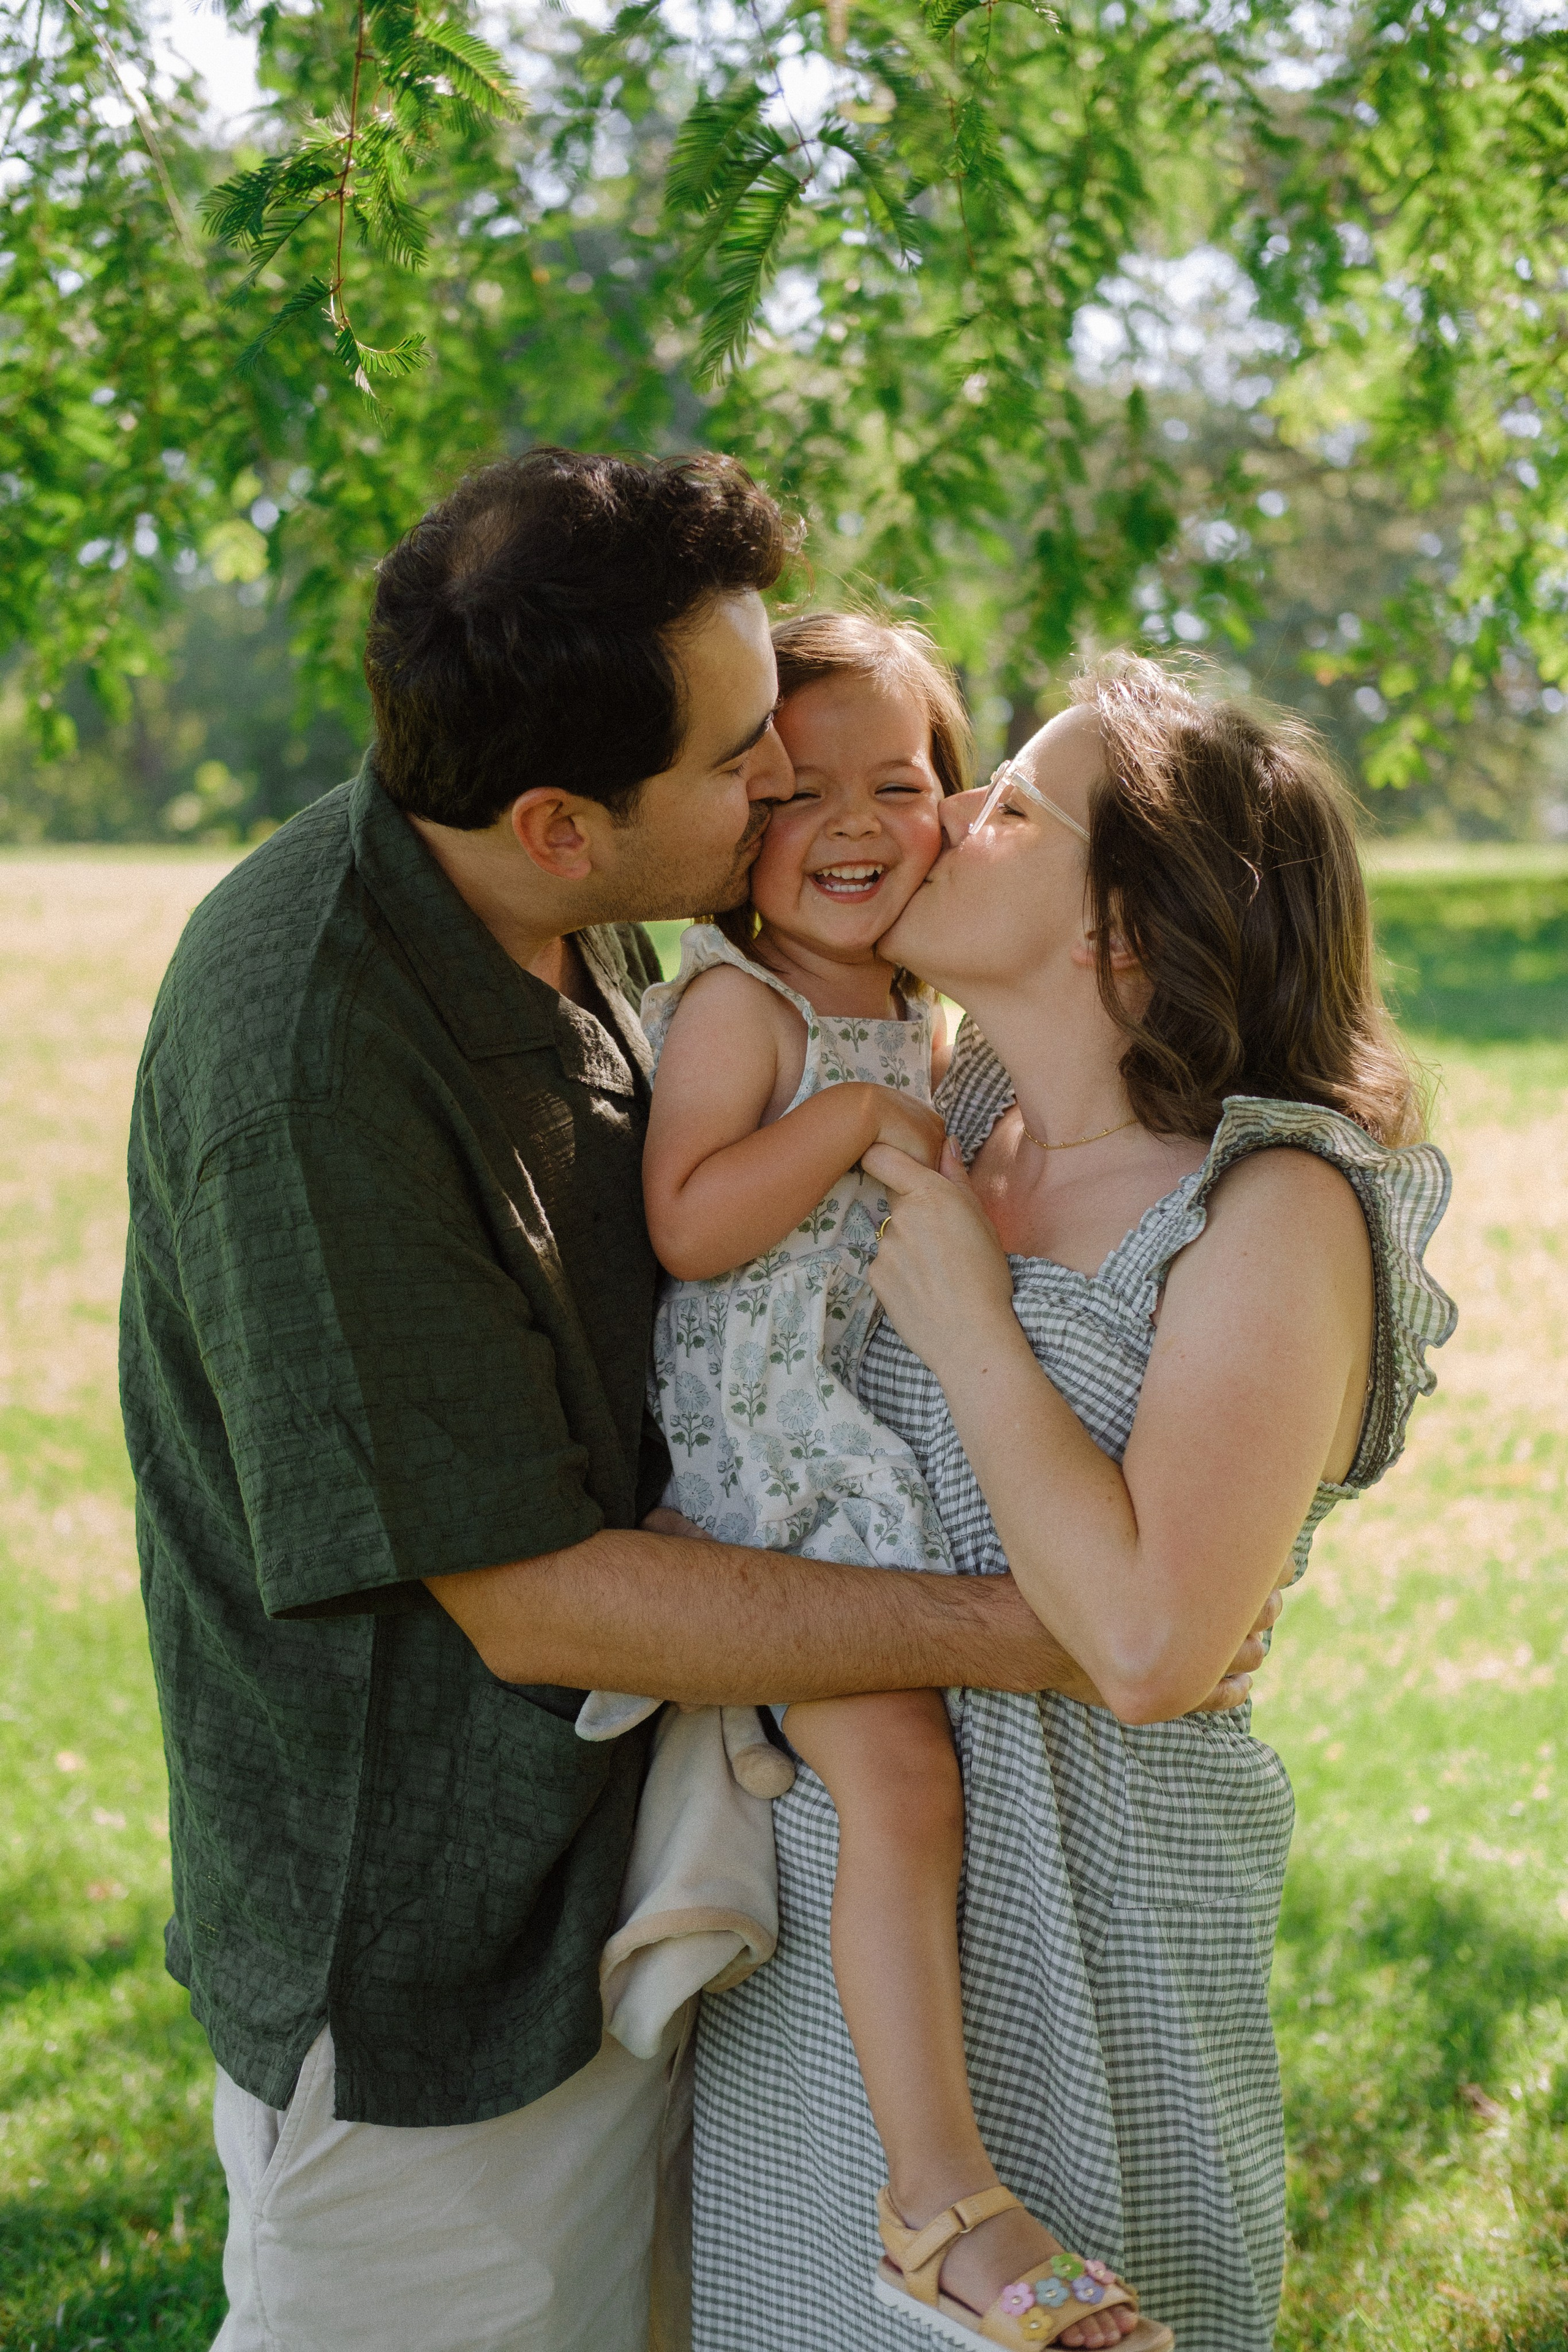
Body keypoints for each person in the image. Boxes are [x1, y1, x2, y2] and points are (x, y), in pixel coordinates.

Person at [119, 455, 1269, 2352]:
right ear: (564, 823)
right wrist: (1079, 1635)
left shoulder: (585, 903)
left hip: (632, 1872)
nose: (780, 794)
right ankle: (950, 2201)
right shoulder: (314, 1068)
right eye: (751, 762)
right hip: (433, 1983)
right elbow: (535, 1592)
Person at [690, 655, 1457, 2352]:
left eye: (1012, 804)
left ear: (1128, 928)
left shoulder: (1266, 1208)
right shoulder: (940, 1101)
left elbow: (1140, 1644)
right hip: (831, 1959)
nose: (949, 811)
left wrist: (969, 1321)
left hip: (1096, 1947)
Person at [602, 611, 1170, 2352]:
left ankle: (941, 2172)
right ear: (733, 825)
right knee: (907, 1781)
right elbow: (689, 1222)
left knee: (920, 1785)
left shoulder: (918, 1026)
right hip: (770, 1472)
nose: (856, 820)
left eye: (907, 782)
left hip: (841, 1458)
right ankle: (939, 2203)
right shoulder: (742, 1006)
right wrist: (847, 1127)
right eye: (800, 787)